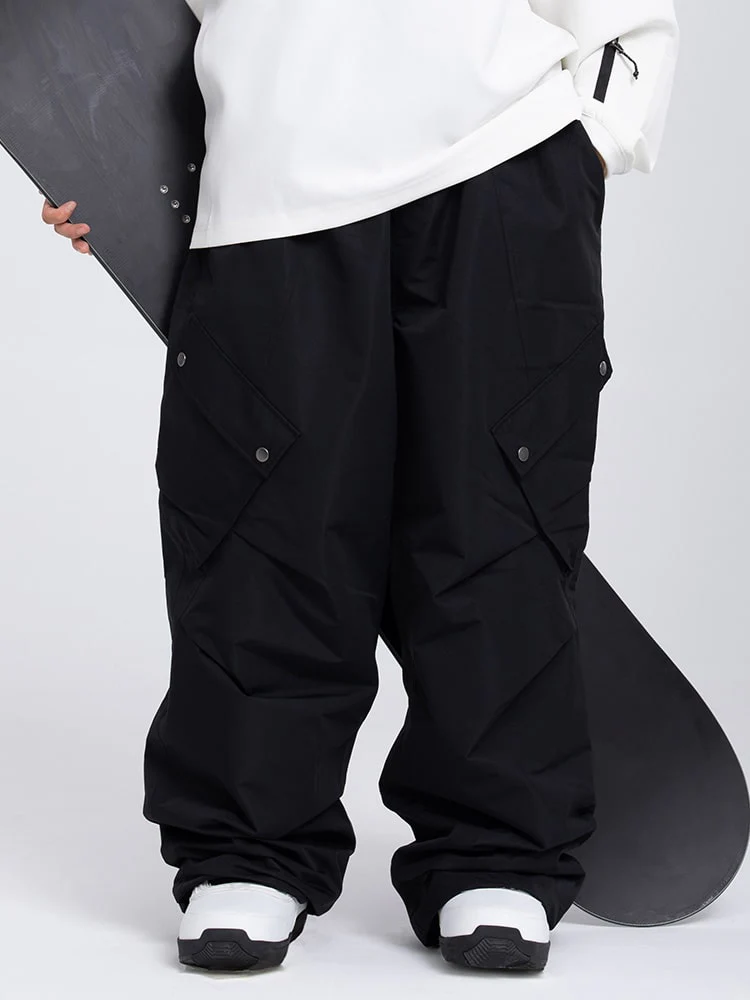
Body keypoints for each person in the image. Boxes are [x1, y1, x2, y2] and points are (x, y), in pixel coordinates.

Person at [42, 0, 679, 975]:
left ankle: (495, 848)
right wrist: (106, 148)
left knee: (493, 517)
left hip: (503, 163)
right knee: (264, 529)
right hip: (269, 182)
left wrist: (592, 139)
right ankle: (249, 848)